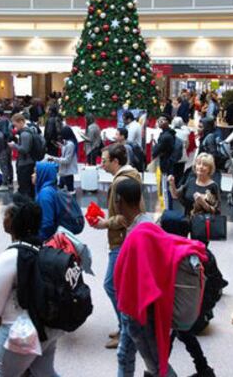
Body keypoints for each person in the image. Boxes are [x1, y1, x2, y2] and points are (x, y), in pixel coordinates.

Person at [114, 222, 206, 377]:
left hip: (136, 312)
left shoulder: (136, 241)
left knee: (157, 368)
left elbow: (116, 279)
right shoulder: (158, 241)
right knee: (125, 355)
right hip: (138, 311)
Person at [0, 195, 63, 376]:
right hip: (48, 327)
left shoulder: (10, 257)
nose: (3, 218)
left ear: (15, 223)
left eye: (7, 215)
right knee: (44, 371)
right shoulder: (44, 249)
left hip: (19, 331)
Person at [94, 143, 143, 349]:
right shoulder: (131, 177)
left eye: (104, 161)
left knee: (112, 284)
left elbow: (124, 217)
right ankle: (125, 326)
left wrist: (105, 223)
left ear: (116, 161)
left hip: (121, 239)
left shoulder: (120, 183)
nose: (101, 164)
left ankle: (126, 329)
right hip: (126, 238)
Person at [168, 153, 220, 218]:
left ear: (210, 169)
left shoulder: (213, 186)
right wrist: (172, 183)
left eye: (205, 165)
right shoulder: (191, 182)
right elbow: (175, 195)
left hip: (204, 224)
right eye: (199, 164)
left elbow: (216, 211)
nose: (201, 167)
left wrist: (203, 203)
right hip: (188, 221)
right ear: (195, 166)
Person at [152, 117, 177, 209]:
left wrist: (155, 150)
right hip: (168, 162)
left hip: (166, 164)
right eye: (159, 120)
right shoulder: (169, 133)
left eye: (162, 120)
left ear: (168, 122)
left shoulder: (165, 136)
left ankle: (167, 210)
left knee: (165, 189)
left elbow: (156, 151)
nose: (160, 122)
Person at [47, 125, 78, 193]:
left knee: (70, 190)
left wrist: (53, 158)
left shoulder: (70, 144)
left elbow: (67, 160)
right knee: (63, 186)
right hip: (65, 170)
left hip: (67, 170)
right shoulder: (68, 143)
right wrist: (60, 146)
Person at [34, 161, 59, 241]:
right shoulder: (50, 189)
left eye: (35, 173)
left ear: (43, 174)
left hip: (47, 240)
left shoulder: (45, 195)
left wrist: (37, 240)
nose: (32, 175)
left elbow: (47, 223)